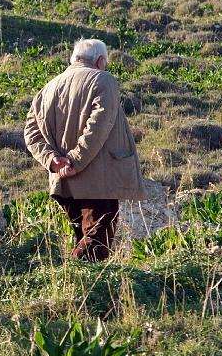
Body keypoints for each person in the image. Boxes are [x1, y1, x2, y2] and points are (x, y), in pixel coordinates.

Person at [24, 38, 146, 261]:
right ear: (100, 61)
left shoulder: (48, 88)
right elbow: (98, 126)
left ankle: (75, 287)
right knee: (95, 245)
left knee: (84, 237)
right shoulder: (103, 80)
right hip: (99, 180)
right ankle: (72, 282)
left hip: (63, 182)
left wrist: (54, 161)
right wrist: (74, 161)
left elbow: (31, 134)